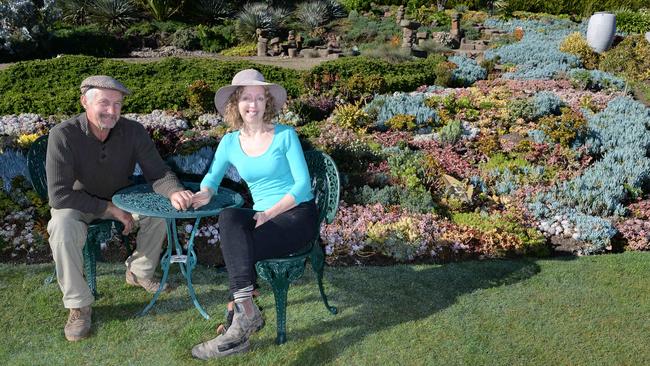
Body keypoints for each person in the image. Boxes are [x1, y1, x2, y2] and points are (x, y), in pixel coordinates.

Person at [46, 75, 194, 341]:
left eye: (118, 104)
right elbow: (59, 196)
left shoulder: (133, 131)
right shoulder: (63, 135)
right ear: (84, 102)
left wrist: (174, 191)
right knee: (61, 226)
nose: (112, 111)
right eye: (104, 103)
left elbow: (158, 173)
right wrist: (109, 209)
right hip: (77, 203)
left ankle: (139, 272)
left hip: (122, 198)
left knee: (160, 210)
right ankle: (79, 305)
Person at [190, 69, 318, 359]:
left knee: (237, 246)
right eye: (247, 97)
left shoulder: (285, 135)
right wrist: (205, 193)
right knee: (229, 218)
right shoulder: (230, 142)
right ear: (236, 102)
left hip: (296, 216)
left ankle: (238, 320)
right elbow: (211, 177)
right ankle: (245, 312)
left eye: (260, 98)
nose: (253, 104)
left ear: (267, 103)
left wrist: (269, 213)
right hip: (264, 218)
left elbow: (301, 186)